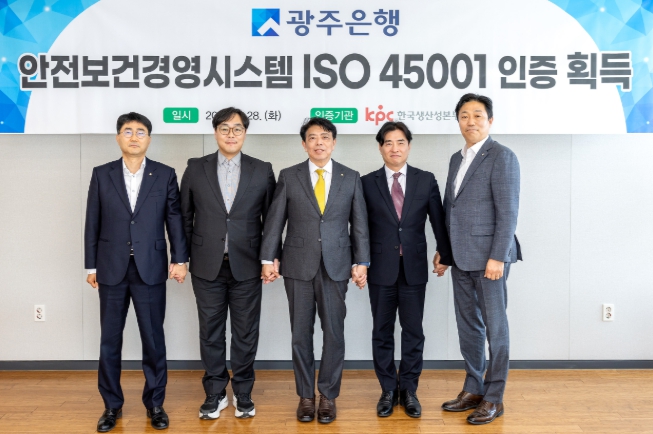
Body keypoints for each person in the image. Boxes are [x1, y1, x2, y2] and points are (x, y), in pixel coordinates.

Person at [259, 117, 370, 424]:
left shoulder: (350, 176)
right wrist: (268, 258)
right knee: (300, 334)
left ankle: (328, 396)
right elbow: (275, 221)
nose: (319, 142)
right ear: (304, 144)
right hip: (297, 264)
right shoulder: (289, 175)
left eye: (324, 137)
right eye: (312, 137)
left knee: (334, 333)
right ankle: (306, 396)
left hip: (337, 265)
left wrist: (361, 262)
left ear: (333, 142)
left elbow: (360, 224)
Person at [84, 112, 188, 432]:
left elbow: (174, 219)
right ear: (118, 137)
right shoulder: (102, 174)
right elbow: (92, 221)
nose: (133, 137)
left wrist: (180, 259)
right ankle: (111, 406)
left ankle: (155, 404)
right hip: (111, 268)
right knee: (109, 341)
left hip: (151, 268)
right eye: (127, 131)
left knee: (153, 340)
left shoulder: (165, 174)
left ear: (149, 139)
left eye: (140, 132)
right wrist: (91, 265)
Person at [180, 107, 276, 420]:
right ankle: (215, 392)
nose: (231, 134)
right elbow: (184, 217)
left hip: (247, 265)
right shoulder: (196, 168)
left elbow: (272, 221)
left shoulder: (262, 169)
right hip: (206, 264)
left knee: (246, 333)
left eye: (237, 129)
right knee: (210, 332)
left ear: (245, 133)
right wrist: (180, 258)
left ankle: (243, 393)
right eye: (224, 128)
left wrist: (269, 258)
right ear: (215, 132)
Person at [361, 121, 452, 418]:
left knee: (413, 331)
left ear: (409, 146)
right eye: (388, 142)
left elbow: (438, 219)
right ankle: (388, 389)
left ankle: (409, 389)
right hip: (380, 269)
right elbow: (359, 228)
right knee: (382, 332)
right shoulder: (367, 182)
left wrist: (444, 253)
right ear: (380, 148)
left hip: (413, 268)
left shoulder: (425, 180)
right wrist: (359, 261)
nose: (394, 148)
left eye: (400, 142)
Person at [440, 94, 522, 425]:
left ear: (490, 120)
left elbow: (508, 211)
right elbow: (450, 208)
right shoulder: (456, 159)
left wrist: (498, 256)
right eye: (464, 115)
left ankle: (494, 397)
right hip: (460, 257)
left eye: (477, 115)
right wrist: (444, 250)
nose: (470, 121)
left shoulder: (502, 156)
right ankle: (473, 388)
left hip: (490, 260)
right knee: (468, 326)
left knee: (495, 327)